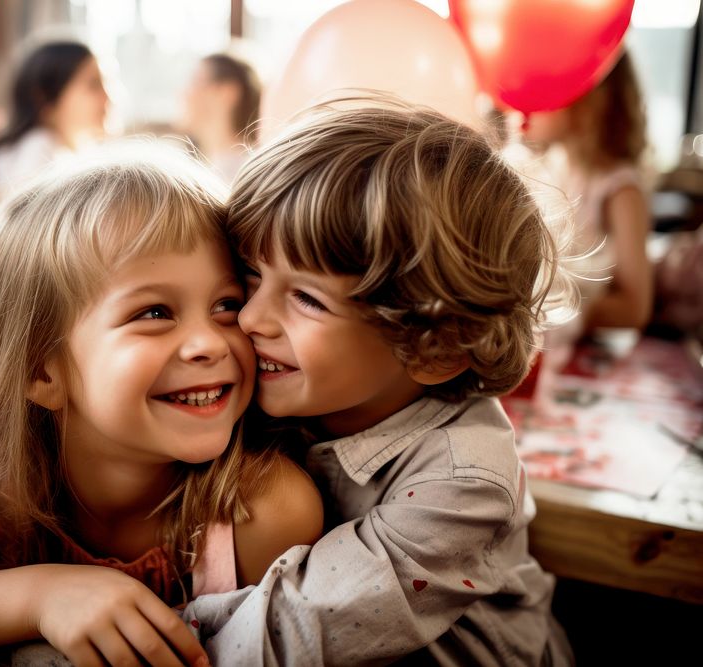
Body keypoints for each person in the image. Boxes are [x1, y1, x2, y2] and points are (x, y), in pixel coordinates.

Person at [0, 145, 323, 664]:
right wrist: (43, 597)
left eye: (226, 305)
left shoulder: (262, 513)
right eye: (156, 311)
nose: (209, 343)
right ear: (41, 371)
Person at [181, 97, 577, 665]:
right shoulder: (287, 385)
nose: (250, 318)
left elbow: (285, 636)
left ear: (434, 349)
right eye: (251, 273)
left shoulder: (465, 483)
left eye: (306, 299)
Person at [523, 52, 653, 334]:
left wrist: (552, 311)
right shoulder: (546, 169)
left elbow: (635, 308)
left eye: (543, 89)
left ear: (586, 102)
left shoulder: (620, 190)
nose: (526, 102)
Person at [0, 41, 109, 196]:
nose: (107, 96)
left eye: (107, 83)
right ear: (45, 98)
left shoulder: (72, 152)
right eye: (94, 85)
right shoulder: (39, 148)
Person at [179, 53, 261, 184]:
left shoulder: (241, 178)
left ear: (227, 93)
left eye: (195, 82)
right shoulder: (210, 173)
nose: (184, 94)